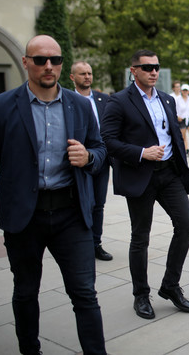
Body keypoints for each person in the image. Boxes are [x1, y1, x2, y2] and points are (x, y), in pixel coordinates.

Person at [0, 35, 107, 355]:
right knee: (26, 292)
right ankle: (30, 350)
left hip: (71, 213)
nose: (49, 66)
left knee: (84, 293)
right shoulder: (1, 106)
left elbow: (99, 149)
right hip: (25, 216)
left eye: (55, 60)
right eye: (40, 60)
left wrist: (89, 157)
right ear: (26, 62)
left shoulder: (80, 106)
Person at [101, 49, 189, 320]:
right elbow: (107, 139)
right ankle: (141, 295)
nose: (153, 71)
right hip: (140, 175)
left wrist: (181, 163)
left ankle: (170, 285)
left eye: (156, 66)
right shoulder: (119, 101)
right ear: (134, 70)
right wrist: (141, 152)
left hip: (169, 175)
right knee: (140, 237)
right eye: (147, 67)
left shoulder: (167, 99)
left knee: (186, 226)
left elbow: (172, 134)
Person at [71, 61, 113, 261]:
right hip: (78, 160)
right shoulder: (68, 99)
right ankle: (81, 243)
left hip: (102, 159)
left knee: (98, 204)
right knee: (82, 203)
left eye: (89, 73)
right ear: (73, 77)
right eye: (82, 74)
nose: (87, 77)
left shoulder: (103, 99)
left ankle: (96, 243)